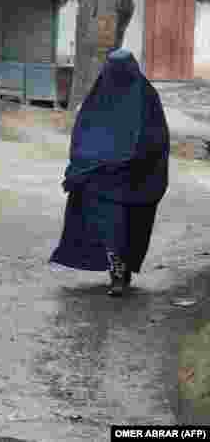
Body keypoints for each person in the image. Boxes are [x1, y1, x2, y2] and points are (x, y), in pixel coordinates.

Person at [50, 49, 170, 297]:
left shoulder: (146, 96)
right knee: (111, 226)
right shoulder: (99, 97)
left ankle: (123, 271)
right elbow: (83, 135)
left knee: (131, 228)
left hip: (135, 178)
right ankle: (116, 274)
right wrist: (84, 164)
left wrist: (136, 155)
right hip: (104, 178)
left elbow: (157, 136)